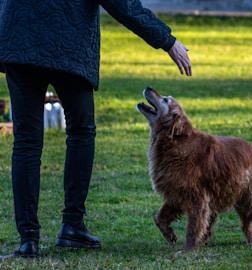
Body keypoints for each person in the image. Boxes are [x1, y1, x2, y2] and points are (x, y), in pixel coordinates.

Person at [0, 0, 191, 258]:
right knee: (80, 132)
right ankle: (72, 226)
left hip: (19, 38)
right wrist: (168, 41)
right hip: (69, 41)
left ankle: (28, 240)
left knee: (26, 142)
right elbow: (121, 3)